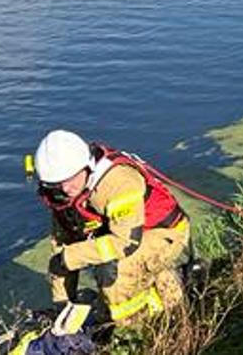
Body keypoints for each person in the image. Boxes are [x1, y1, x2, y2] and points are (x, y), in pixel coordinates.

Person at [29, 130, 192, 336]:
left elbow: (125, 243)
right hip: (122, 235)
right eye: (56, 184)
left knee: (113, 273)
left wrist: (71, 257)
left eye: (70, 179)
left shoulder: (118, 182)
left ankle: (133, 331)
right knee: (88, 262)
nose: (66, 189)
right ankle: (163, 285)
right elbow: (62, 251)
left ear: (86, 166)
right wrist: (63, 305)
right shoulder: (61, 194)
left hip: (163, 233)